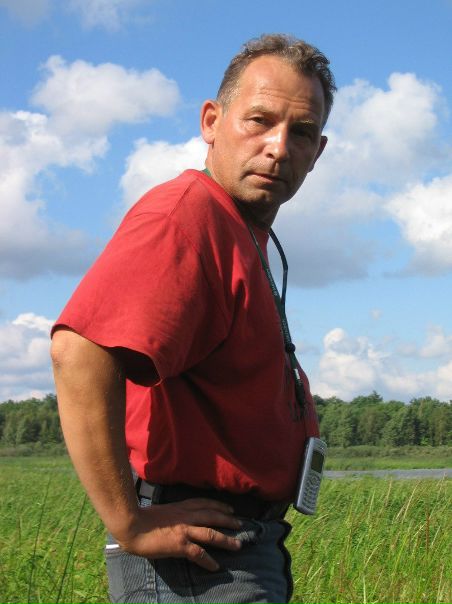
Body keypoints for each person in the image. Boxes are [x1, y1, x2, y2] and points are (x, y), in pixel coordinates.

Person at [50, 33, 335, 604]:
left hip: (239, 547)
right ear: (211, 121)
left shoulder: (239, 229)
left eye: (301, 132)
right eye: (259, 121)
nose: (278, 147)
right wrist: (130, 523)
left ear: (318, 150)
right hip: (198, 563)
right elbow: (79, 350)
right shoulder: (186, 215)